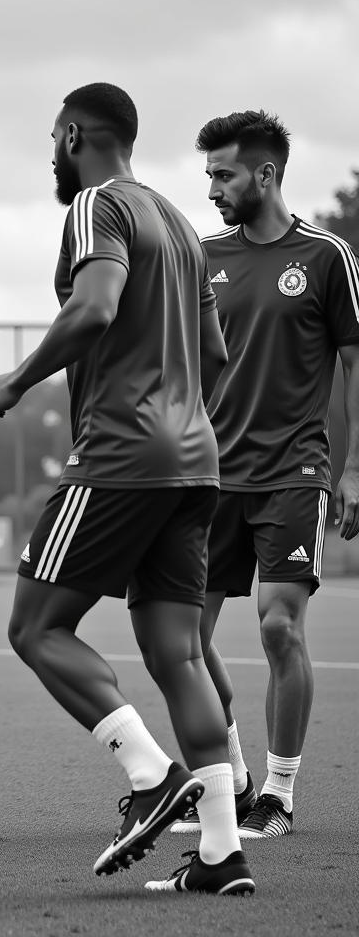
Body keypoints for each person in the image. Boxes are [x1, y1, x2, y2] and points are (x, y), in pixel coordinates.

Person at [0, 83, 255, 895]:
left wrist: (14, 383)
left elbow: (94, 308)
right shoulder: (177, 220)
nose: (49, 154)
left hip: (123, 458)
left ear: (71, 134)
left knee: (35, 627)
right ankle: (219, 854)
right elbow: (213, 351)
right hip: (193, 462)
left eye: (50, 139)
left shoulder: (98, 203)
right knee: (178, 655)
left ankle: (149, 776)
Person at [170, 110, 359, 841]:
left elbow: (353, 367)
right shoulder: (202, 255)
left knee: (279, 624)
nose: (212, 187)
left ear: (266, 175)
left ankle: (278, 796)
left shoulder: (325, 257)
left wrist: (352, 473)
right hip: (209, 477)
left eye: (223, 174)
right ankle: (233, 781)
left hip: (295, 470)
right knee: (184, 637)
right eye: (209, 174)